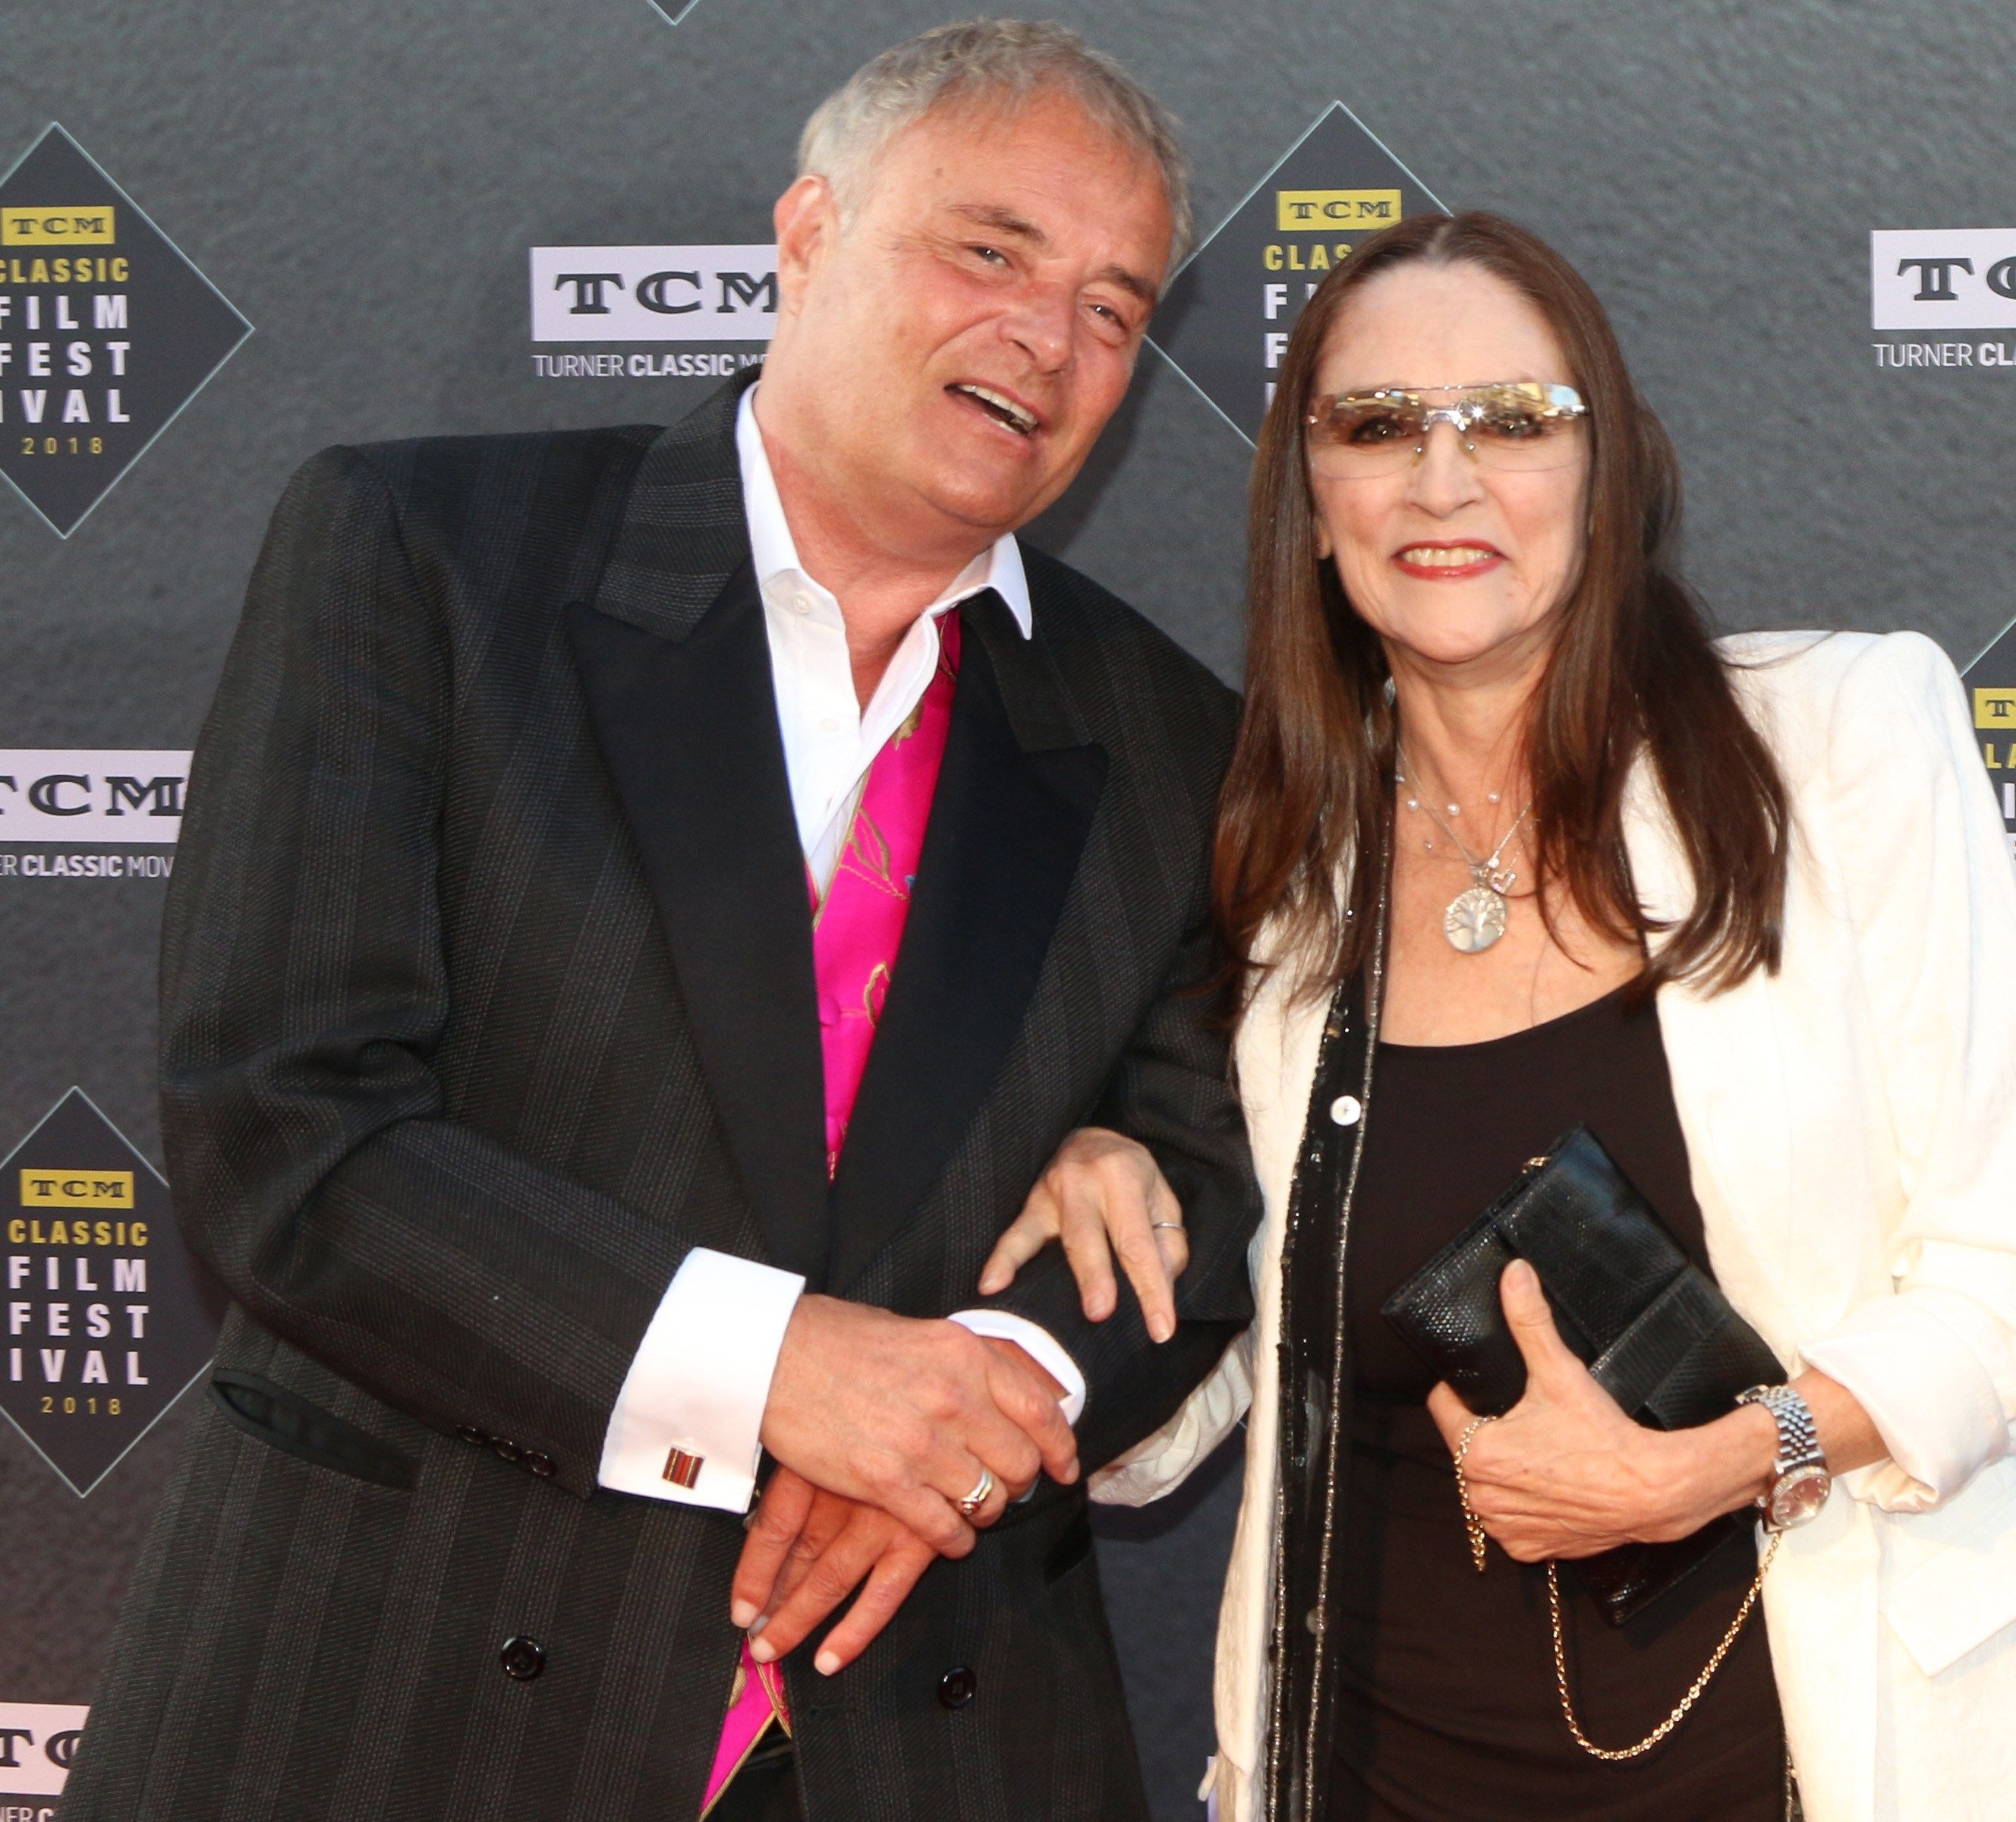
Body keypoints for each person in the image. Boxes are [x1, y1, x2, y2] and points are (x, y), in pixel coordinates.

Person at [58, 23, 1259, 1822]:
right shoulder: (423, 556)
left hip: (924, 1726)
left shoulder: (1174, 736)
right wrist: (791, 1375)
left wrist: (985, 1396)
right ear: (806, 230)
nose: (1050, 333)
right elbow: (289, 1132)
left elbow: (1215, 1180)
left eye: (1115, 303)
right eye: (989, 248)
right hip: (395, 1698)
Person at [975, 212, 2016, 1820]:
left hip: (1816, 1760)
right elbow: (1223, 1381)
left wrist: (1717, 1461)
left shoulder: (1842, 739)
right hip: (1370, 1766)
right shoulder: (1275, 871)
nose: (1444, 480)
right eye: (1378, 425)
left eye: (1514, 420)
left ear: (1606, 471)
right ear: (1313, 504)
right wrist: (1107, 1218)